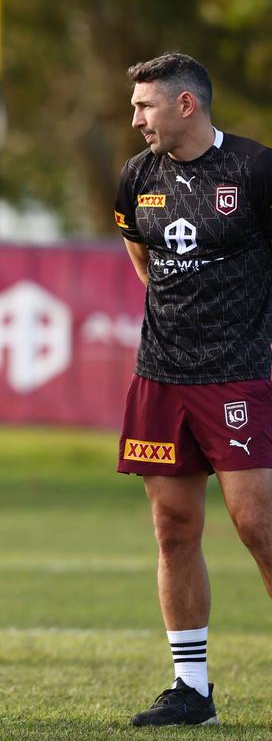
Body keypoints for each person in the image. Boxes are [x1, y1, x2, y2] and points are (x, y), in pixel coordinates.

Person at [114, 52, 272, 726]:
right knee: (173, 529)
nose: (135, 118)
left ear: (187, 105)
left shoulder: (257, 169)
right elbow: (140, 255)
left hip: (240, 372)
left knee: (258, 525)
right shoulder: (137, 175)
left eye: (145, 106)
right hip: (161, 377)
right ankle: (192, 689)